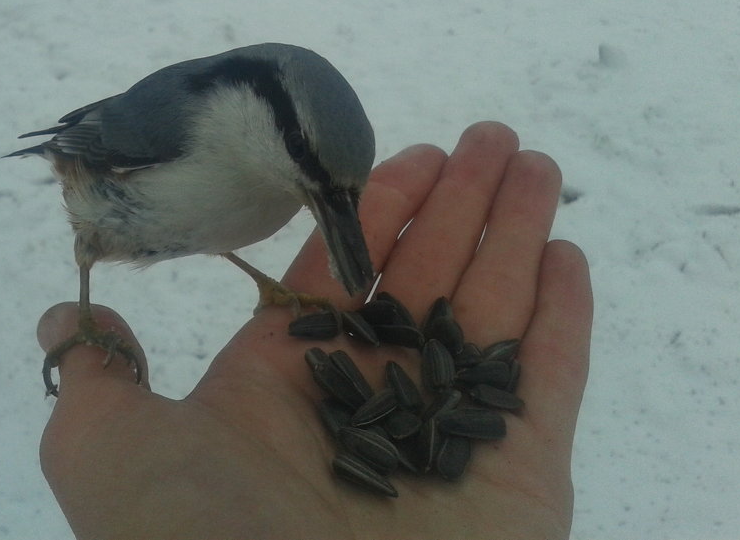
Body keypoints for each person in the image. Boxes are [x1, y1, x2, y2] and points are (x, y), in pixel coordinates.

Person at [37, 122, 593, 540]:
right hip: (99, 179)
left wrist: (268, 283)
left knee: (213, 215)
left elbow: (213, 227)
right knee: (98, 244)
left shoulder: (262, 176)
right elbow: (88, 148)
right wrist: (86, 328)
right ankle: (85, 318)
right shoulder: (176, 128)